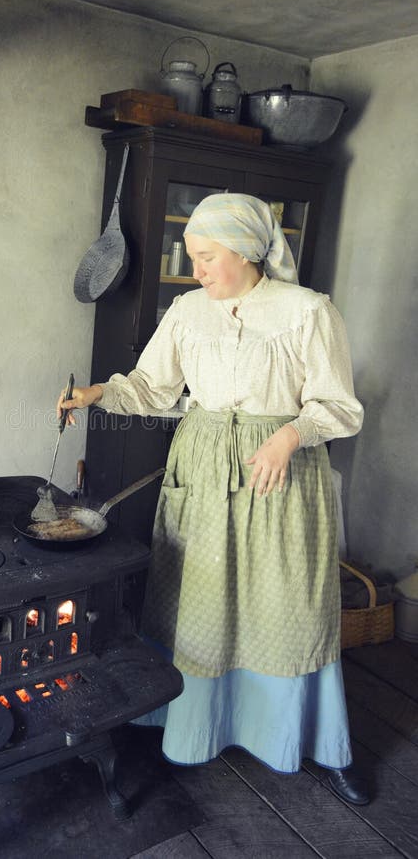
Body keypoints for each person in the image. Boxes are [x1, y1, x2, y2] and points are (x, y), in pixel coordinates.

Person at [58, 193, 368, 804]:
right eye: (193, 257)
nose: (195, 270)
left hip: (276, 470)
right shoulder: (187, 312)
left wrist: (290, 435)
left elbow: (339, 405)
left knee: (286, 600)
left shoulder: (307, 312)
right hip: (202, 466)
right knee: (201, 596)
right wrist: (98, 393)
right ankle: (192, 726)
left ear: (248, 251)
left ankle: (315, 741)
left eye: (207, 257)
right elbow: (153, 387)